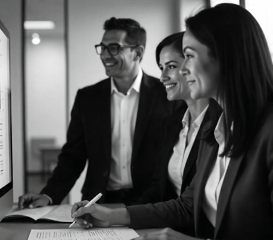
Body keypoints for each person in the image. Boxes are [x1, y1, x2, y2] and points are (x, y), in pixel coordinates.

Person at [71, 4, 273, 240]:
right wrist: (110, 216)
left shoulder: (267, 132)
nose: (183, 70)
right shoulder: (215, 129)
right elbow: (186, 206)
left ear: (225, 54)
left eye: (188, 56)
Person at [18, 17, 183, 208]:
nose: (105, 55)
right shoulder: (87, 98)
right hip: (99, 202)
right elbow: (73, 155)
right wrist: (48, 195)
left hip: (153, 203)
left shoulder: (167, 95)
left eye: (114, 47)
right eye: (102, 48)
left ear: (137, 52)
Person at [132, 32, 214, 207]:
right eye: (162, 68)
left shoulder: (219, 125)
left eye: (171, 66)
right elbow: (158, 186)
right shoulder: (171, 123)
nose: (162, 77)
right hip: (172, 225)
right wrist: (119, 217)